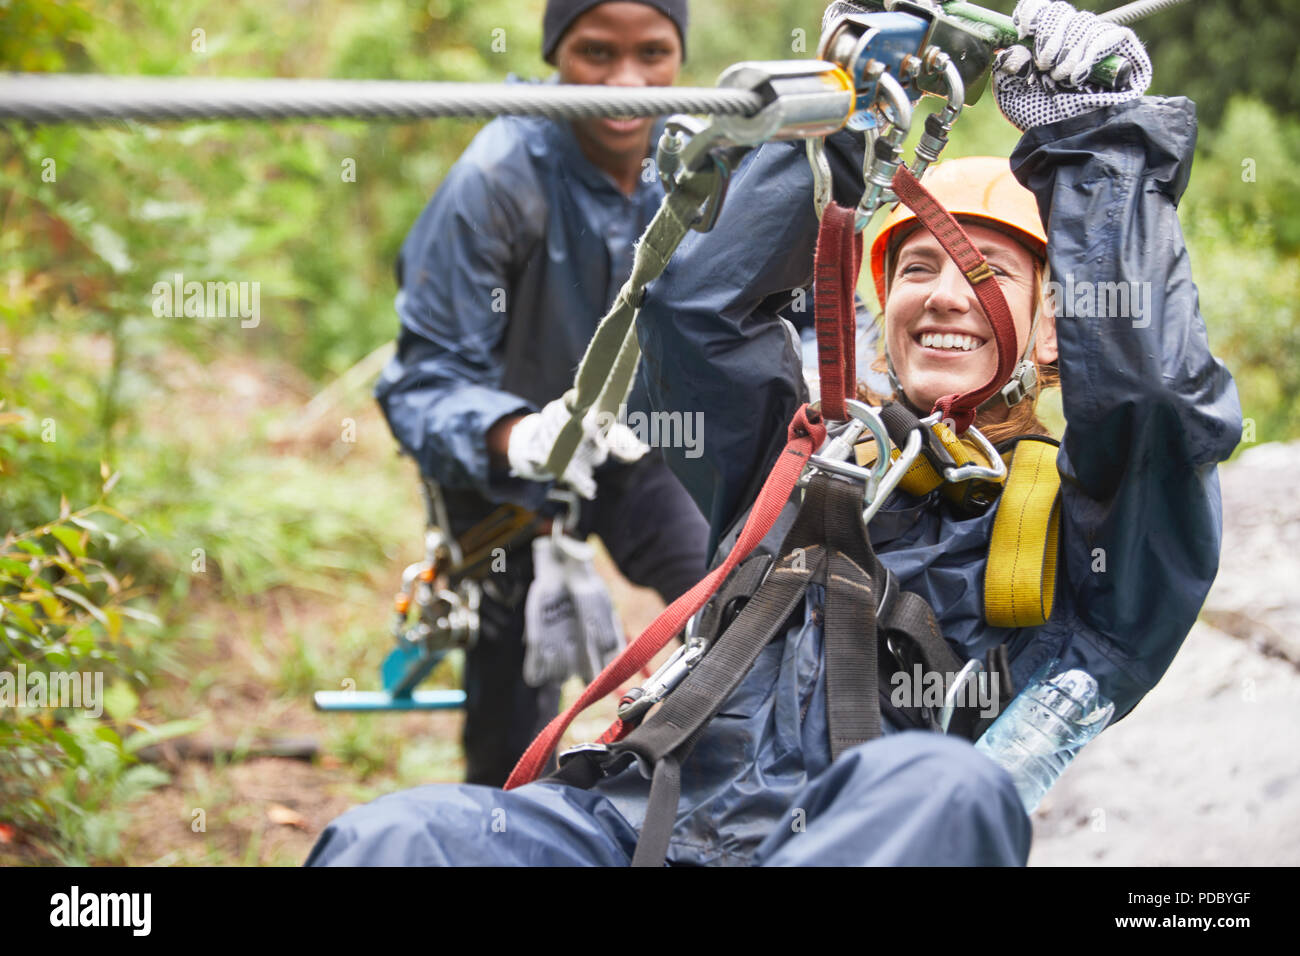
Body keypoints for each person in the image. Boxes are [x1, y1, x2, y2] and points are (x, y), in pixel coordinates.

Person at [308, 0, 1241, 865]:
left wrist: (1098, 146)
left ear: (1050, 326)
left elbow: (1155, 407)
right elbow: (696, 313)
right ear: (883, 304)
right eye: (918, 267)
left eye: (990, 271)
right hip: (638, 825)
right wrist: (847, 112)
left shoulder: (1085, 546)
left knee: (950, 786)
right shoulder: (803, 455)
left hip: (854, 843)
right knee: (399, 840)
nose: (948, 292)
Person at [372, 0, 709, 787]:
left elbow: (777, 309)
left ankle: (702, 803)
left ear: (678, 54)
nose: (626, 82)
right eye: (596, 53)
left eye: (653, 53)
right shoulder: (497, 176)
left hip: (642, 449)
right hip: (504, 478)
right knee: (513, 718)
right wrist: (523, 435)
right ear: (557, 52)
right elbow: (423, 383)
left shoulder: (701, 159)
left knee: (726, 600)